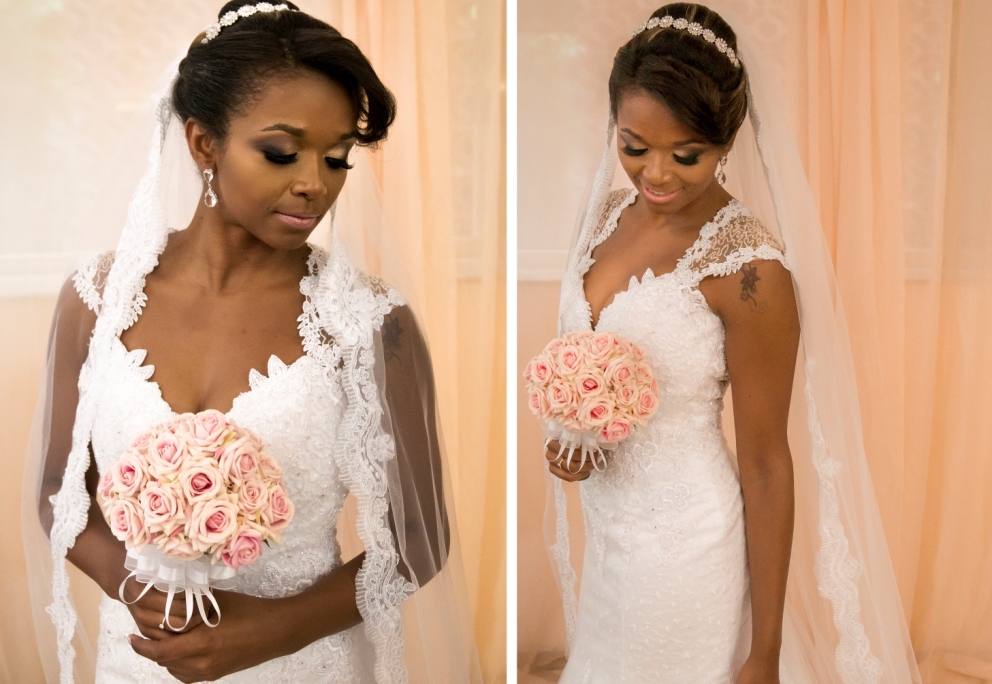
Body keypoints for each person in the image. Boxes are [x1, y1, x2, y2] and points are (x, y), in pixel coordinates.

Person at [25, 2, 478, 682]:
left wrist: (264, 635)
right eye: (281, 151)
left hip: (302, 664)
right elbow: (60, 489)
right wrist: (138, 589)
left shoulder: (369, 323)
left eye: (336, 159)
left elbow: (420, 538)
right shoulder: (97, 300)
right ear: (204, 143)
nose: (313, 183)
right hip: (141, 660)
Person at [543, 3, 920, 682]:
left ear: (727, 143)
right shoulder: (604, 217)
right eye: (633, 146)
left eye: (686, 155)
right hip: (609, 539)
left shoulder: (751, 272)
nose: (656, 175)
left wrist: (765, 651)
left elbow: (769, 465)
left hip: (689, 550)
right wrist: (580, 440)